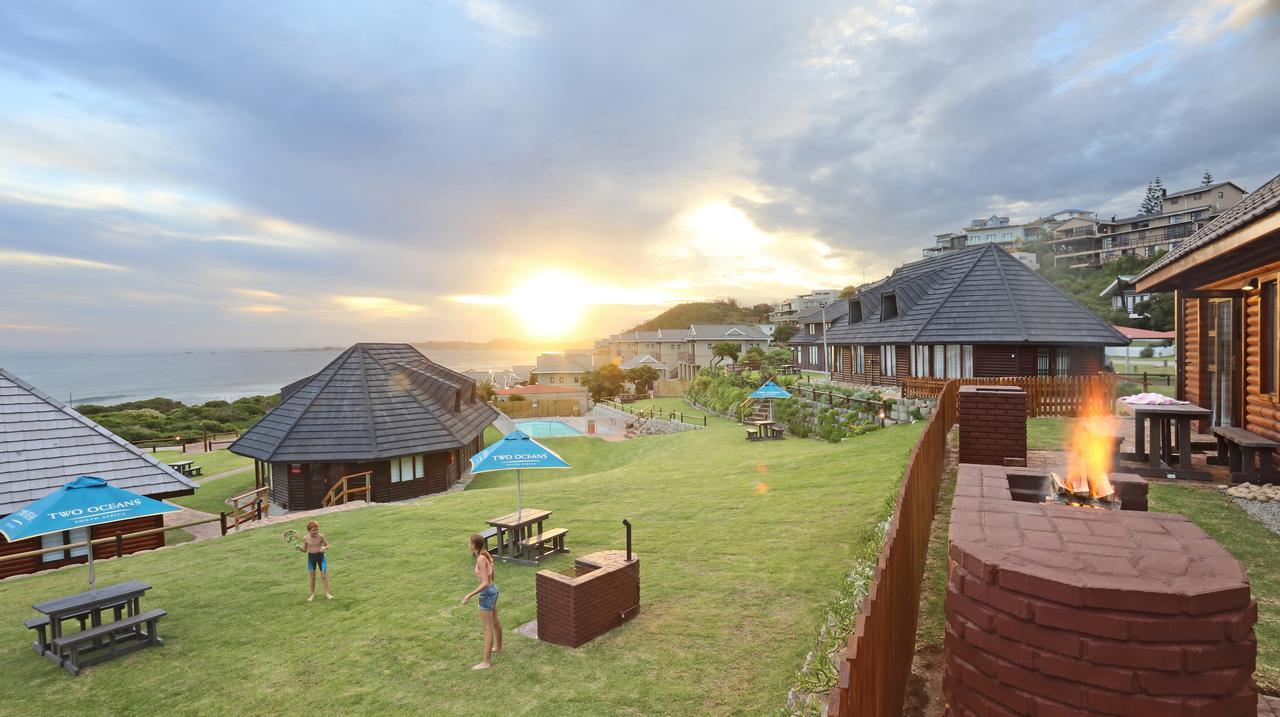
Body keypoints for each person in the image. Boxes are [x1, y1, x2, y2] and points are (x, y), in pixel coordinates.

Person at [461, 533, 502, 669]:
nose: (468, 545)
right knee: (495, 622)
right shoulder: (485, 555)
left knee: (487, 629)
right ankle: (499, 647)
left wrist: (470, 595)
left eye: (469, 543)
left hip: (486, 593)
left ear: (473, 545)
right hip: (493, 590)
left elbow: (484, 582)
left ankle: (486, 662)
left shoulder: (480, 559)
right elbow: (492, 577)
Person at [301, 520, 333, 602]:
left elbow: (328, 545)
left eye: (317, 529)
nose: (316, 531)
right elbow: (304, 550)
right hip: (311, 558)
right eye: (313, 530)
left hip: (321, 558)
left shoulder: (321, 536)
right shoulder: (306, 538)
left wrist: (324, 548)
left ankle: (327, 593)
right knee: (312, 577)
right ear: (309, 530)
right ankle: (312, 594)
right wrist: (300, 548)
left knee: (324, 576)